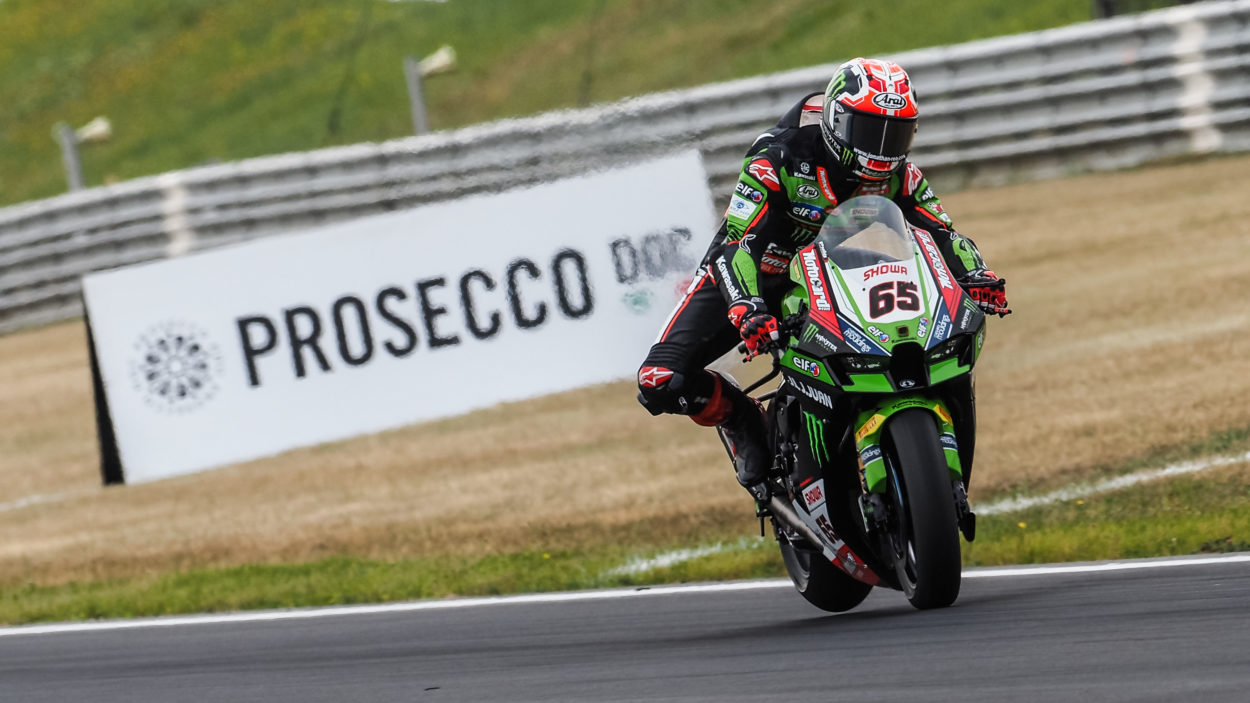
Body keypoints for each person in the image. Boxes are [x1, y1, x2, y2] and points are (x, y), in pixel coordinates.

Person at [635, 57, 1010, 501]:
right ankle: (742, 418)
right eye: (869, 131)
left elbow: (942, 233)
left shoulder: (902, 176)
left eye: (895, 134)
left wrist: (977, 274)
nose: (882, 149)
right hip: (757, 276)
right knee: (659, 380)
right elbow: (738, 244)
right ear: (836, 121)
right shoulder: (777, 157)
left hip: (840, 273)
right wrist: (747, 308)